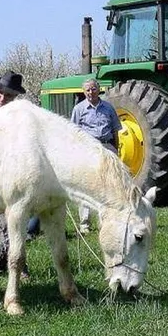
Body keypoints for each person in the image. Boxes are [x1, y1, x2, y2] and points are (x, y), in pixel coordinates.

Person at [0, 70, 41, 276]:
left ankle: (1, 265)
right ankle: (12, 266)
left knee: (13, 221)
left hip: (14, 175)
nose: (2, 97)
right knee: (8, 222)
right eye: (0, 93)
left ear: (15, 98)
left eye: (8, 95)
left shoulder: (20, 119)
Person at [70, 78, 122, 234]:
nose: (90, 92)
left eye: (93, 89)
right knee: (86, 185)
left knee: (110, 184)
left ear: (98, 90)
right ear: (84, 92)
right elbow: (74, 133)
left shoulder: (108, 108)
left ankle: (107, 220)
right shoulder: (79, 109)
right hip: (89, 149)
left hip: (107, 146)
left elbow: (115, 130)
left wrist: (116, 149)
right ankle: (84, 223)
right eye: (87, 90)